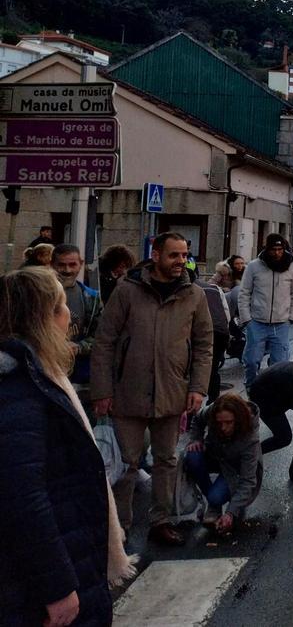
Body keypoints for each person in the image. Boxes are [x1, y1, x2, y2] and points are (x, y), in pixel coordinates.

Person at [0, 268, 136, 626]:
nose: (69, 317)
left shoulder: (38, 374)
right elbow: (22, 496)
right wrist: (57, 587)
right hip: (47, 573)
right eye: (61, 306)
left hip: (66, 549)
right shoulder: (19, 385)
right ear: (43, 317)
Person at [90, 233, 213, 545]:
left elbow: (203, 345)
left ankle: (161, 521)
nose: (180, 262)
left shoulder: (194, 295)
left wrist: (197, 387)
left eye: (184, 255)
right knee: (127, 464)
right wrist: (102, 390)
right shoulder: (127, 290)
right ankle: (119, 527)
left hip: (173, 391)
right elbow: (104, 341)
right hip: (128, 392)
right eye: (173, 255)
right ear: (155, 255)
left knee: (166, 461)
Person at [184, 392, 262, 535]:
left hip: (235, 469)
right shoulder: (213, 410)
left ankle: (215, 502)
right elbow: (198, 420)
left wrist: (230, 513)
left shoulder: (250, 439)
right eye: (219, 423)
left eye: (228, 423)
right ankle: (214, 506)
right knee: (192, 455)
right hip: (216, 455)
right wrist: (196, 439)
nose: (223, 428)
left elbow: (248, 481)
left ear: (238, 420)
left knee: (216, 496)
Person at [239, 234, 293, 387]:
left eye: (280, 249)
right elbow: (244, 292)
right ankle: (251, 389)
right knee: (251, 361)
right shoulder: (254, 266)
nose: (277, 253)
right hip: (257, 322)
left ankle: (273, 394)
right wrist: (246, 319)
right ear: (267, 249)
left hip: (281, 323)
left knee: (279, 365)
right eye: (273, 249)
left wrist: (292, 317)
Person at [52, 244, 104, 390]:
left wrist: (80, 347)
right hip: (46, 371)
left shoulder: (92, 298)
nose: (67, 270)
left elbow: (102, 336)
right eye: (61, 265)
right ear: (52, 265)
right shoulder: (38, 295)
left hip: (78, 376)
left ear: (80, 264)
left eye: (72, 265)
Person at [195, 270, 232, 402]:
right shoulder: (214, 289)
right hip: (219, 333)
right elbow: (226, 314)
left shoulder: (188, 290)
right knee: (213, 369)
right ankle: (213, 401)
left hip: (202, 334)